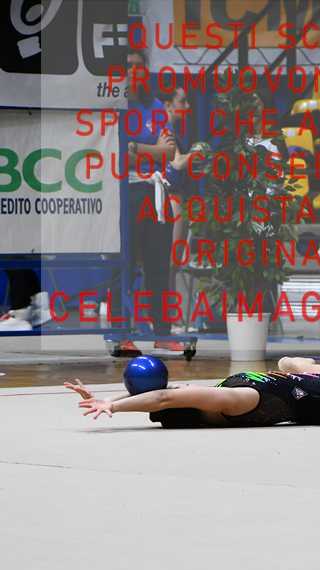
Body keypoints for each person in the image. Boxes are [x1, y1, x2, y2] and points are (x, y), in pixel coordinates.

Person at [65, 318, 320, 426]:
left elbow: (166, 395)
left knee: (290, 363)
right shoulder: (230, 401)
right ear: (191, 404)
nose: (182, 385)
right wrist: (113, 406)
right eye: (183, 391)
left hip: (310, 383)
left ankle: (296, 366)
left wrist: (113, 397)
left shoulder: (222, 392)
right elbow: (166, 397)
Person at [107, 49, 181, 356]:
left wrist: (138, 148)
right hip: (125, 192)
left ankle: (162, 332)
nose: (134, 71)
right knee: (123, 265)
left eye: (139, 66)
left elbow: (169, 152)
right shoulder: (114, 107)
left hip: (155, 192)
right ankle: (121, 333)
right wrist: (151, 150)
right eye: (128, 66)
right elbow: (118, 153)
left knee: (158, 265)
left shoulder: (156, 107)